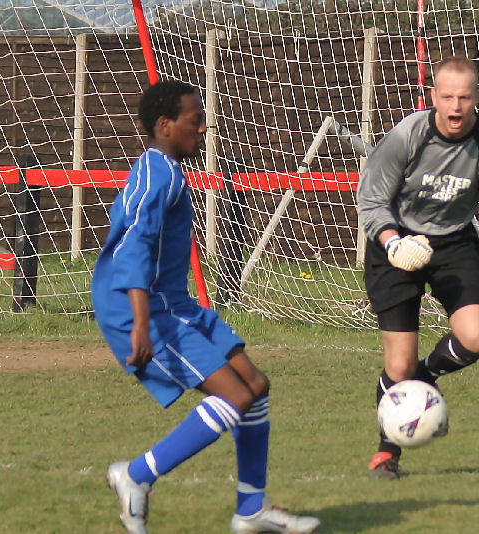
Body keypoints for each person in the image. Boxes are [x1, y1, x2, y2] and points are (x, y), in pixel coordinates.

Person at [92, 79, 321, 534]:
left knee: (254, 384)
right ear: (165, 126)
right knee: (233, 396)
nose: (203, 128)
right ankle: (135, 476)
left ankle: (251, 510)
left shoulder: (168, 170)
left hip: (174, 304)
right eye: (194, 121)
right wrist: (140, 325)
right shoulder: (156, 175)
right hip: (143, 308)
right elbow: (132, 248)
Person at [356, 56, 479, 479]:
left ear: (476, 98)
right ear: (433, 97)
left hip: (454, 242)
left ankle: (425, 379)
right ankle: (387, 453)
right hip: (397, 240)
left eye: (464, 97)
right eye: (447, 97)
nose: (456, 106)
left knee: (477, 337)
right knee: (398, 365)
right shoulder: (409, 135)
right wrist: (392, 242)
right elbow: (372, 198)